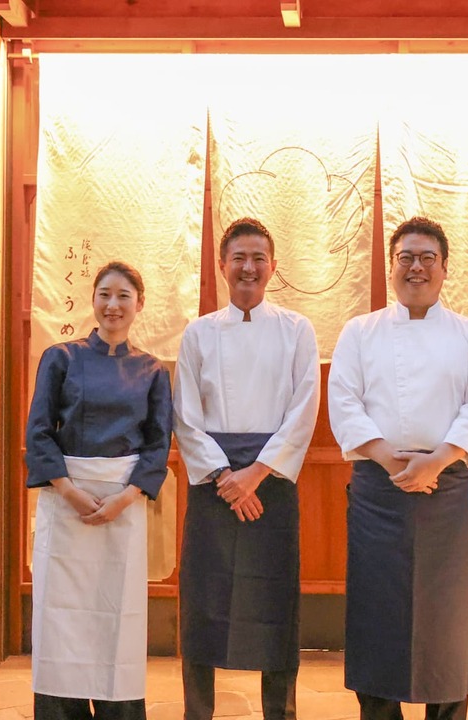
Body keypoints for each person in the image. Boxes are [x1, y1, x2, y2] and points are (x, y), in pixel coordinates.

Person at [328, 216, 468, 720]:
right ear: (391, 266)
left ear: (445, 269)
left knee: (445, 619)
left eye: (427, 258)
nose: (416, 267)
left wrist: (439, 460)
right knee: (378, 615)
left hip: (445, 489)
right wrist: (386, 457)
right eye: (405, 257)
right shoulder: (360, 332)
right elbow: (344, 401)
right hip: (378, 489)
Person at [173, 217, 320, 720]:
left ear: (273, 267)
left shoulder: (298, 329)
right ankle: (198, 711)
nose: (249, 268)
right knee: (202, 603)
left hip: (271, 485)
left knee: (275, 602)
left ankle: (281, 712)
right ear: (221, 266)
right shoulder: (198, 333)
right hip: (214, 485)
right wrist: (224, 479)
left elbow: (304, 412)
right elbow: (186, 416)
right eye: (239, 258)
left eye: (259, 258)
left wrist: (254, 475)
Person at [24, 261, 174, 720]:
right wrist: (68, 491)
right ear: (93, 301)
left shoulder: (152, 371)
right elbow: (39, 432)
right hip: (64, 503)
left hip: (120, 508)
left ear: (139, 305)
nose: (113, 305)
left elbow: (158, 443)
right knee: (61, 619)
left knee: (117, 621)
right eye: (105, 294)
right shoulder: (61, 358)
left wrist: (124, 499)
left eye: (123, 296)